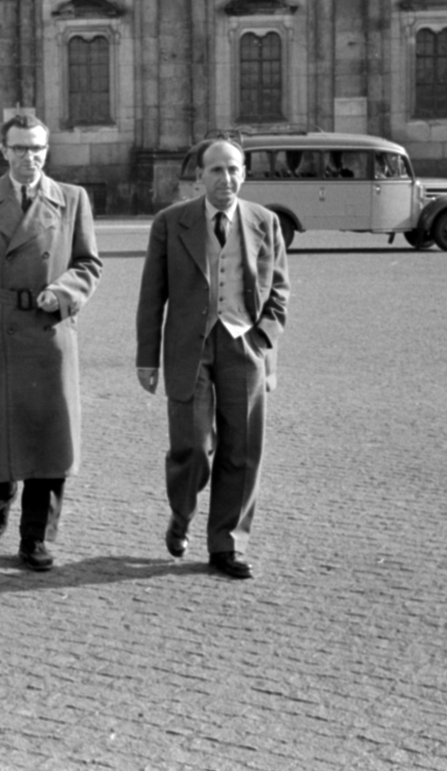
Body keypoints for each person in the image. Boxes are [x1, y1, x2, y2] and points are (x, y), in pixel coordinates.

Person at [0, 114, 102, 572]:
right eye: (19, 148)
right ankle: (1, 489)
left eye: (37, 148)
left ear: (47, 151)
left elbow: (88, 264)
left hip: (50, 327)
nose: (29, 157)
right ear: (4, 151)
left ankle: (36, 537)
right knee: (3, 433)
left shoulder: (73, 199)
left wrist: (63, 294)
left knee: (52, 439)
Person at [136, 136, 289, 580]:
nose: (227, 178)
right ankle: (181, 512)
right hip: (190, 346)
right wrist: (148, 358)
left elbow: (278, 289)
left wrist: (263, 337)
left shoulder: (265, 222)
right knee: (194, 446)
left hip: (244, 344)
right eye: (217, 170)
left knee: (242, 449)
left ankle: (227, 544)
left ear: (245, 173)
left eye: (235, 169)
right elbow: (152, 296)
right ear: (199, 176)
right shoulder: (171, 223)